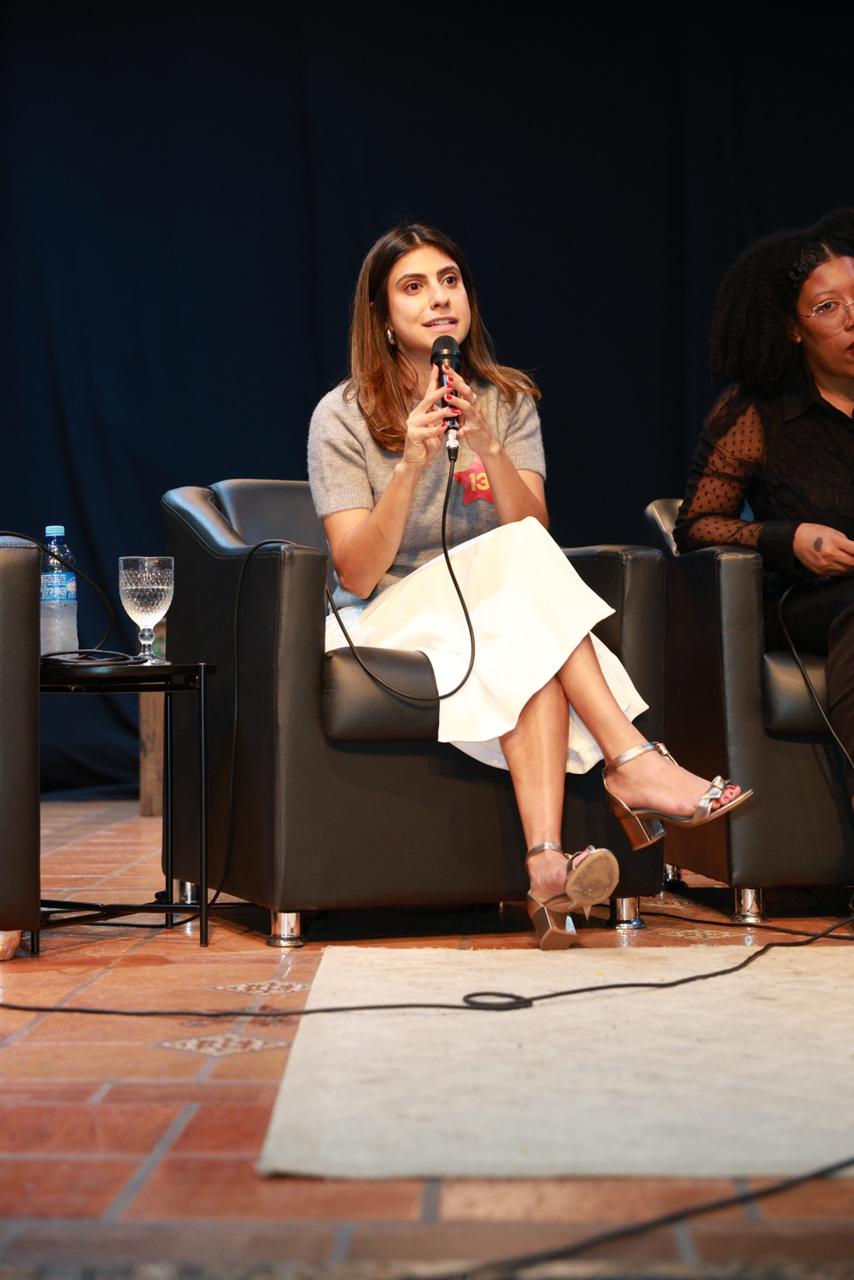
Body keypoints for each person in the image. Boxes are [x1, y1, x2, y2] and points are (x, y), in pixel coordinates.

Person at [308, 224, 748, 948]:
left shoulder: (506, 403)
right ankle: (633, 758)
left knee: (531, 644)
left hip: (490, 608)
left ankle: (546, 868)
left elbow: (532, 533)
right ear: (383, 317)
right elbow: (355, 570)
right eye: (413, 287)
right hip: (390, 614)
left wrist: (484, 444)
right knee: (519, 580)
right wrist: (414, 462)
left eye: (450, 280)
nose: (439, 299)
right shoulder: (344, 414)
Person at [675, 209, 854, 802]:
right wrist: (791, 537)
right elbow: (696, 527)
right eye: (828, 307)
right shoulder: (758, 412)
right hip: (805, 599)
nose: (853, 318)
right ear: (794, 329)